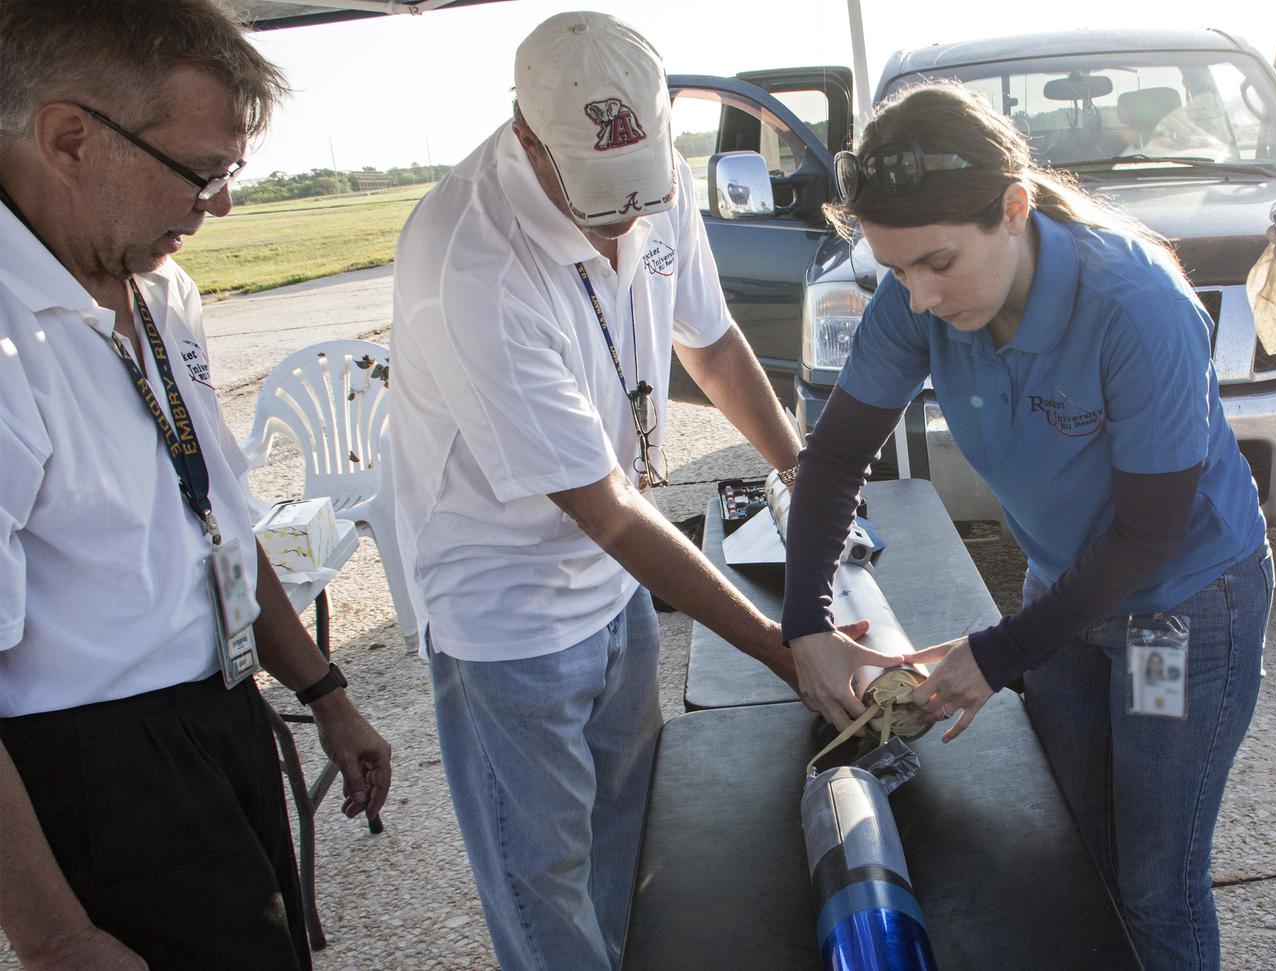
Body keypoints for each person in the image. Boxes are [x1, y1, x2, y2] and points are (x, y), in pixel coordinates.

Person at [389, 11, 896, 969]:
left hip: (613, 588)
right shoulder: (471, 262)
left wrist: (803, 474)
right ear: (527, 137)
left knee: (631, 834)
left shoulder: (656, 189)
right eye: (600, 201)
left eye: (640, 195)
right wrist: (790, 645)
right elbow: (610, 506)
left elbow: (709, 343)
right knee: (546, 880)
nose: (628, 218)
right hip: (507, 617)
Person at [781, 82, 1269, 971]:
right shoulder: (917, 300)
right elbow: (836, 452)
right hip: (1062, 594)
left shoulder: (1134, 304)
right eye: (896, 271)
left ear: (1014, 209)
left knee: (1156, 876)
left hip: (1177, 614)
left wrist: (995, 656)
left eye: (937, 263)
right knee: (1078, 843)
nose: (918, 298)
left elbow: (1149, 536)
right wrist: (807, 623)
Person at [0, 3, 392, 968]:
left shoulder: (158, 287)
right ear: (69, 139)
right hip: (97, 771)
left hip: (215, 712)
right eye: (204, 170)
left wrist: (323, 687)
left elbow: (211, 516)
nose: (220, 205)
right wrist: (55, 936)